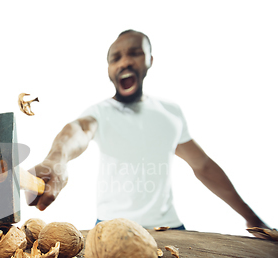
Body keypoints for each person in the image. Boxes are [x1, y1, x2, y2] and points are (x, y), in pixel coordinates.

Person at [26, 29, 270, 236]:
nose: (124, 62)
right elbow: (78, 130)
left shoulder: (170, 113)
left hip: (170, 230)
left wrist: (252, 218)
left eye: (134, 53)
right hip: (112, 230)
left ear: (150, 60)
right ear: (109, 69)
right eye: (115, 58)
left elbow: (203, 166)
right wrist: (56, 158)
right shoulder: (100, 112)